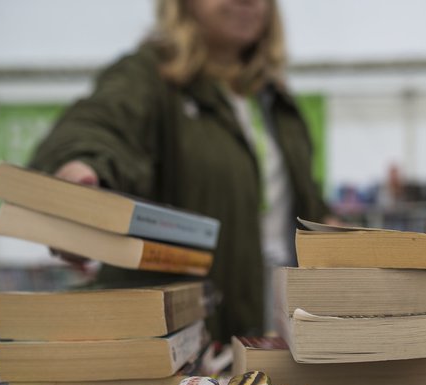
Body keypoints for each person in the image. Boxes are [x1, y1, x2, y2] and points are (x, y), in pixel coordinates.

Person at [29, 0, 332, 342]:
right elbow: (98, 127)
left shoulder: (278, 102)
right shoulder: (149, 77)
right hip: (186, 339)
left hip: (277, 330)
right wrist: (78, 172)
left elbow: (301, 204)